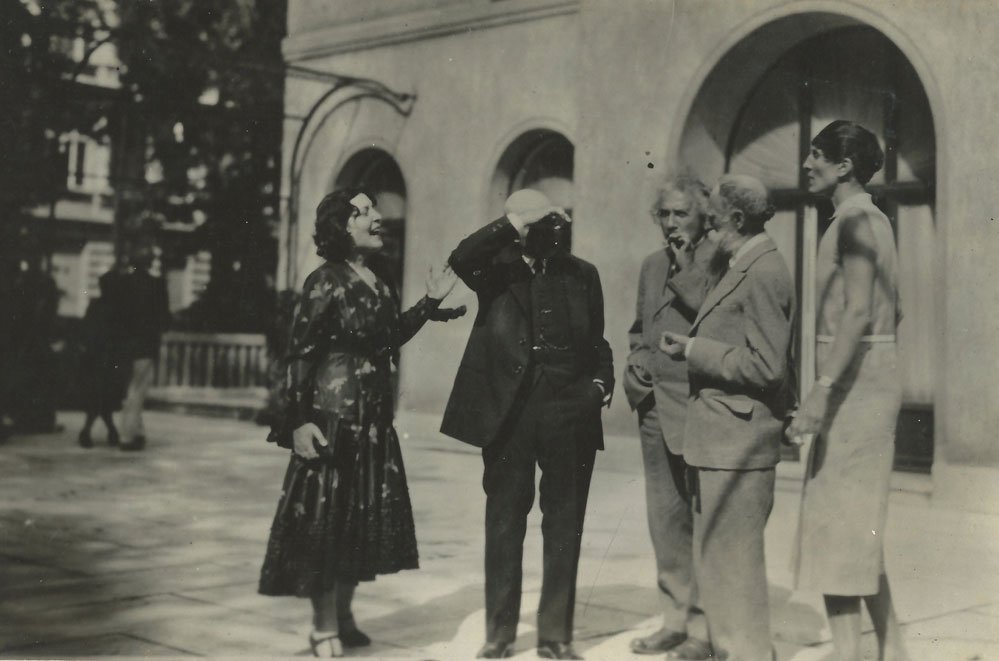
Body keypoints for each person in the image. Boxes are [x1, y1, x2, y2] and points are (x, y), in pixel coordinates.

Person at [258, 188, 458, 658]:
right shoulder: (323, 281)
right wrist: (299, 422)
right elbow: (300, 355)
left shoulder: (378, 280)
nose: (377, 217)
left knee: (357, 522)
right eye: (364, 212)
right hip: (334, 420)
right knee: (327, 524)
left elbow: (389, 338)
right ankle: (323, 624)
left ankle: (343, 614)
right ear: (341, 226)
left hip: (372, 421)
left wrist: (429, 302)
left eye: (374, 210)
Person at [441, 189, 614, 660]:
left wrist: (599, 386)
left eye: (556, 221)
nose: (553, 230)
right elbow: (460, 257)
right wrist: (514, 219)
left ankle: (555, 635)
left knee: (564, 525)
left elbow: (597, 342)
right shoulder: (496, 269)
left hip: (569, 411)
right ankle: (499, 634)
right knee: (504, 523)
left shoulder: (583, 274)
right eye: (540, 222)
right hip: (509, 414)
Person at [788, 120, 909, 661]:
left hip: (853, 390)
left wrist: (821, 390)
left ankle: (851, 655)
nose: (807, 165)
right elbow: (892, 310)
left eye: (817, 156)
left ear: (845, 167)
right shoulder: (869, 220)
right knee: (857, 530)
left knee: (837, 531)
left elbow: (860, 311)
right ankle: (893, 648)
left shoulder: (857, 222)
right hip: (868, 381)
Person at [660, 174, 795, 661]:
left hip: (739, 441)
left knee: (735, 570)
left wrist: (697, 349)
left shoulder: (764, 271)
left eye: (714, 220)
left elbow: (767, 365)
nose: (708, 227)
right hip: (720, 439)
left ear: (738, 219)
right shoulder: (740, 262)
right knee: (719, 565)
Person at [623, 174, 719, 658]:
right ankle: (674, 618)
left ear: (705, 216)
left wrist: (684, 266)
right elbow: (640, 328)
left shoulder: (720, 262)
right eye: (664, 214)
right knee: (664, 518)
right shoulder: (649, 265)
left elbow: (709, 314)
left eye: (681, 213)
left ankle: (703, 630)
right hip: (653, 408)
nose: (671, 223)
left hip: (699, 409)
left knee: (702, 519)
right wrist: (634, 366)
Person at [101, 239, 171, 452]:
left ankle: (137, 432)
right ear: (150, 262)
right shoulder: (158, 284)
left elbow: (111, 309)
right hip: (145, 344)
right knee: (138, 389)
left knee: (131, 388)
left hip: (123, 344)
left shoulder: (122, 283)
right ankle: (128, 435)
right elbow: (165, 318)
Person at [76, 296, 127, 448]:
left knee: (100, 398)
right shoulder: (113, 311)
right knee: (101, 398)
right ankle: (98, 430)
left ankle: (98, 430)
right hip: (102, 361)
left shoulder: (95, 311)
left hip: (99, 361)